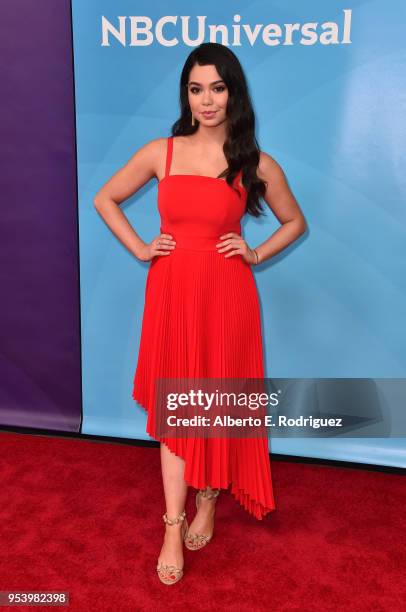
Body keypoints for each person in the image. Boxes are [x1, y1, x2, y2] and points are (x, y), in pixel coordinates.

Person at [93, 42, 307, 585]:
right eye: (196, 88)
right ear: (185, 96)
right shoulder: (160, 152)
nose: (207, 100)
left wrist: (255, 252)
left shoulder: (252, 160)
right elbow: (105, 198)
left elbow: (294, 222)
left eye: (217, 87)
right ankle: (172, 524)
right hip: (171, 293)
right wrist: (142, 248)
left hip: (227, 295)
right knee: (176, 413)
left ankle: (208, 499)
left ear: (233, 93)